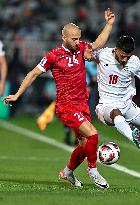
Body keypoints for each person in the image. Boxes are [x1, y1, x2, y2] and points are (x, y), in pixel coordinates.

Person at [3, 8, 115, 189]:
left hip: (81, 104)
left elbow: (97, 44)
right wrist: (17, 94)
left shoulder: (80, 49)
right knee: (93, 134)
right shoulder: (53, 56)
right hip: (66, 105)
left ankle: (68, 171)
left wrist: (109, 25)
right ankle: (93, 170)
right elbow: (32, 74)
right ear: (64, 38)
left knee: (86, 144)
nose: (78, 42)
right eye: (74, 39)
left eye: (79, 38)